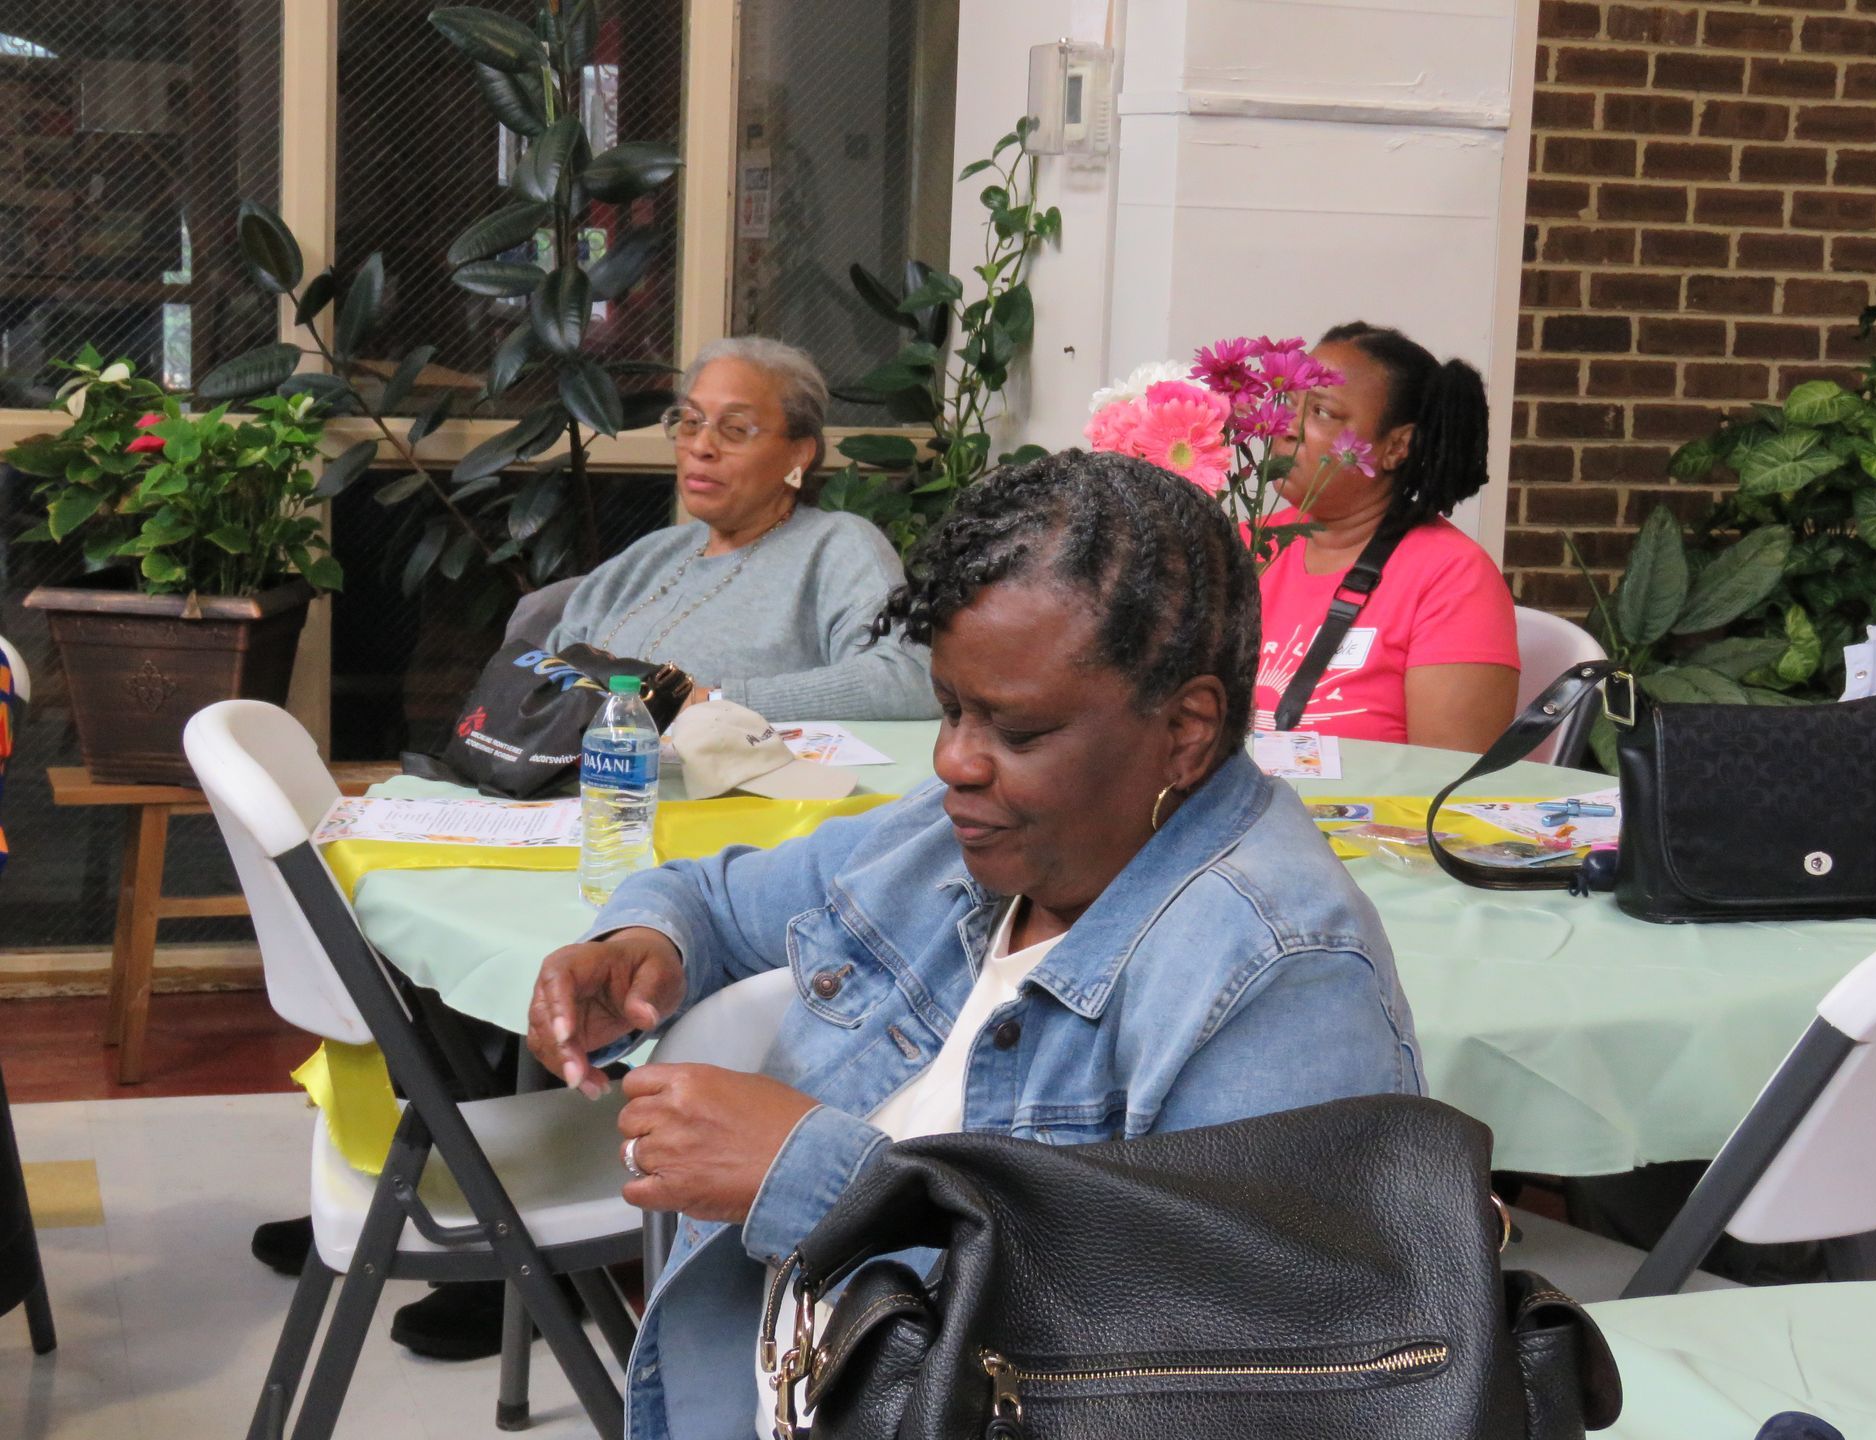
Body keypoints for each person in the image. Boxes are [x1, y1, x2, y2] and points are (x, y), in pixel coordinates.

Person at [528, 450, 1424, 1439]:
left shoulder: (1284, 976)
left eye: (1019, 729)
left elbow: (1224, 1373)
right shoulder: (953, 840)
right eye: (953, 707)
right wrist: (639, 940)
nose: (955, 758)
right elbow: (715, 896)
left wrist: (824, 1184)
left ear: (1186, 729)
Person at [548, 335, 937, 720]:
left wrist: (712, 704)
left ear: (799, 452)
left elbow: (909, 678)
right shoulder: (647, 557)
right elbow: (542, 674)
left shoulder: (836, 546)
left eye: (734, 428)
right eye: (689, 422)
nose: (701, 446)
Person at [1256, 322, 1519, 751]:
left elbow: (1446, 788)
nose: (1287, 426)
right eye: (1288, 402)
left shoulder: (1452, 578)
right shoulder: (1245, 544)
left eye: (1321, 412)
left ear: (1397, 446)